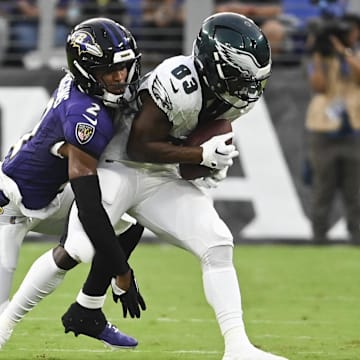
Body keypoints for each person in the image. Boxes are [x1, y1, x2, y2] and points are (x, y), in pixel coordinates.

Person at [1, 12, 288, 360]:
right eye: (241, 77)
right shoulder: (156, 91)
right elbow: (136, 148)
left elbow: (183, 149)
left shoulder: (223, 96)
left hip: (155, 176)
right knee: (80, 246)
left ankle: (238, 347)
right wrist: (199, 154)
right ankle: (7, 325)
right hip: (112, 169)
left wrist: (209, 164)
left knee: (217, 243)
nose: (121, 78)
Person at [0, 17, 146, 348]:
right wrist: (122, 271)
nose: (121, 77)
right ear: (86, 72)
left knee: (127, 222)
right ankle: (7, 324)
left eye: (124, 68)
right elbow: (90, 205)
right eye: (110, 71)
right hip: (9, 201)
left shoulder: (84, 87)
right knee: (0, 315)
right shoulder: (84, 115)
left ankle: (88, 311)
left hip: (49, 194)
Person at [305, 14, 360, 244]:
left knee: (355, 191)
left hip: (354, 129)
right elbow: (318, 86)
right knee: (323, 189)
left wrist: (344, 52)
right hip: (323, 130)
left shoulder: (354, 54)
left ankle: (357, 236)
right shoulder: (321, 57)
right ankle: (319, 237)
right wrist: (319, 53)